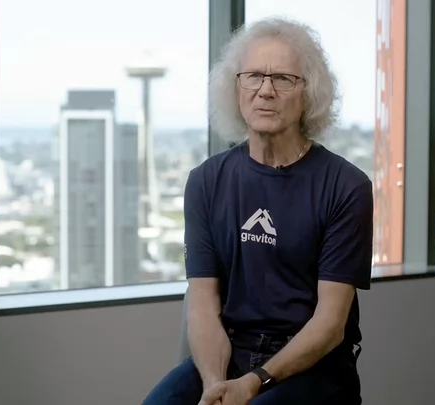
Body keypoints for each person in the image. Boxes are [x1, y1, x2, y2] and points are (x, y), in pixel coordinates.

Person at [143, 16, 373, 405]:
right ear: (236, 89)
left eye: (283, 79)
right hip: (231, 354)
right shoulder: (206, 181)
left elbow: (331, 326)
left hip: (314, 367)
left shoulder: (346, 186)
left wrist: (254, 382)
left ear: (308, 94)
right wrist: (216, 384)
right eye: (253, 76)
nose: (265, 91)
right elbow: (202, 303)